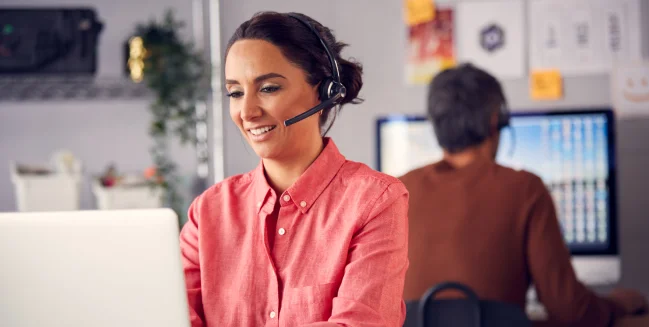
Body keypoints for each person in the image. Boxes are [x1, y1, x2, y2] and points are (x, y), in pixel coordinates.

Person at [179, 11, 409, 327]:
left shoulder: (375, 200)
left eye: (269, 88)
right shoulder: (207, 212)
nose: (247, 112)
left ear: (323, 90)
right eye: (235, 93)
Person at [399, 63, 647, 326]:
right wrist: (619, 304)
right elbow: (571, 311)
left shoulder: (397, 190)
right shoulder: (525, 189)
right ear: (496, 120)